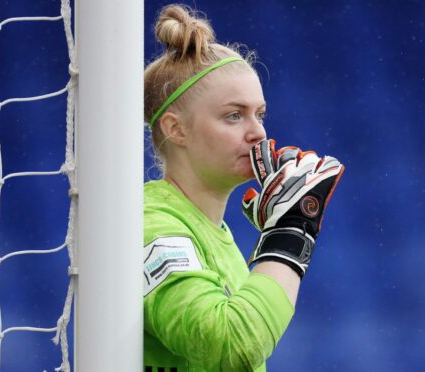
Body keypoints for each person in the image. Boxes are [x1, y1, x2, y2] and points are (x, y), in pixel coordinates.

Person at [143, 4, 344, 371]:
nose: (258, 133)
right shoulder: (150, 223)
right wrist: (290, 236)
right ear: (176, 129)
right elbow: (229, 346)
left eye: (259, 114)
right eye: (233, 116)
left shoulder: (214, 234)